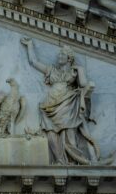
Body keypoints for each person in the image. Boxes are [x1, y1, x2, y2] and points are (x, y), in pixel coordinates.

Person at [21, 37, 101, 165]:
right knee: (50, 132)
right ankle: (59, 159)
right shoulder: (51, 70)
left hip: (68, 103)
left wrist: (80, 70)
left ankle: (73, 159)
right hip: (50, 106)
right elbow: (33, 62)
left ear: (69, 58)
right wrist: (30, 45)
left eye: (62, 54)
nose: (59, 56)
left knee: (69, 134)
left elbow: (84, 84)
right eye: (60, 53)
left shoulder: (74, 72)